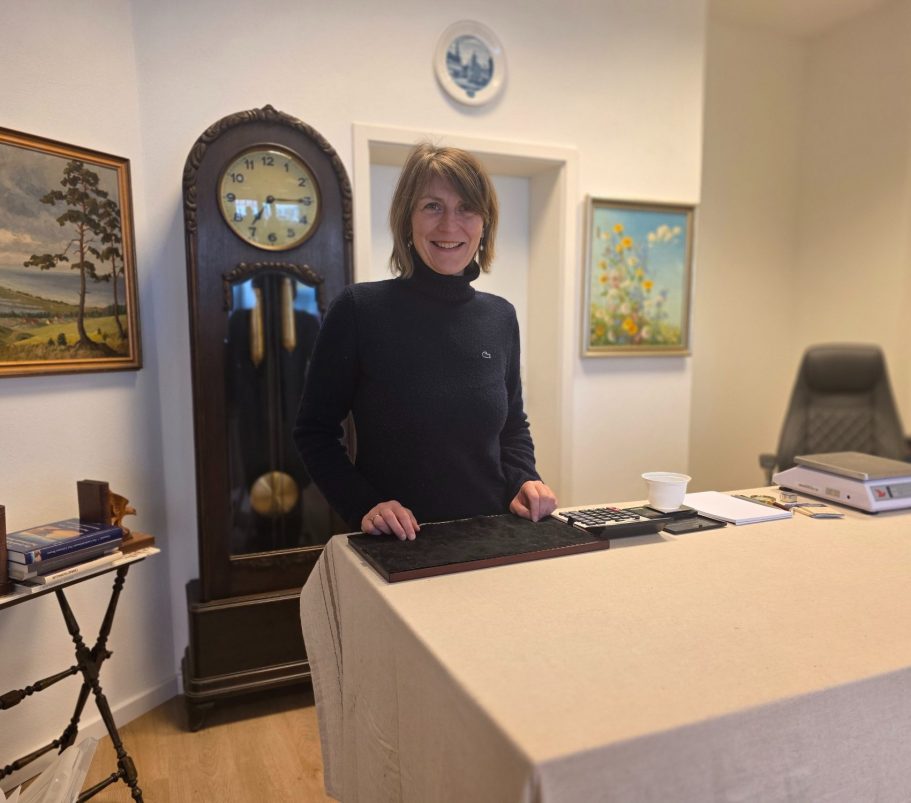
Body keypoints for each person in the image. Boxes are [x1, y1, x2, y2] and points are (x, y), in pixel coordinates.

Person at [293, 143, 557, 540]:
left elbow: (512, 427)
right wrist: (364, 504)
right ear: (407, 220)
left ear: (484, 223)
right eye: (433, 206)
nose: (450, 225)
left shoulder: (500, 316)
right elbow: (314, 432)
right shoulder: (359, 310)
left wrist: (524, 479)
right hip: (400, 541)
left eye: (466, 208)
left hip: (494, 534)